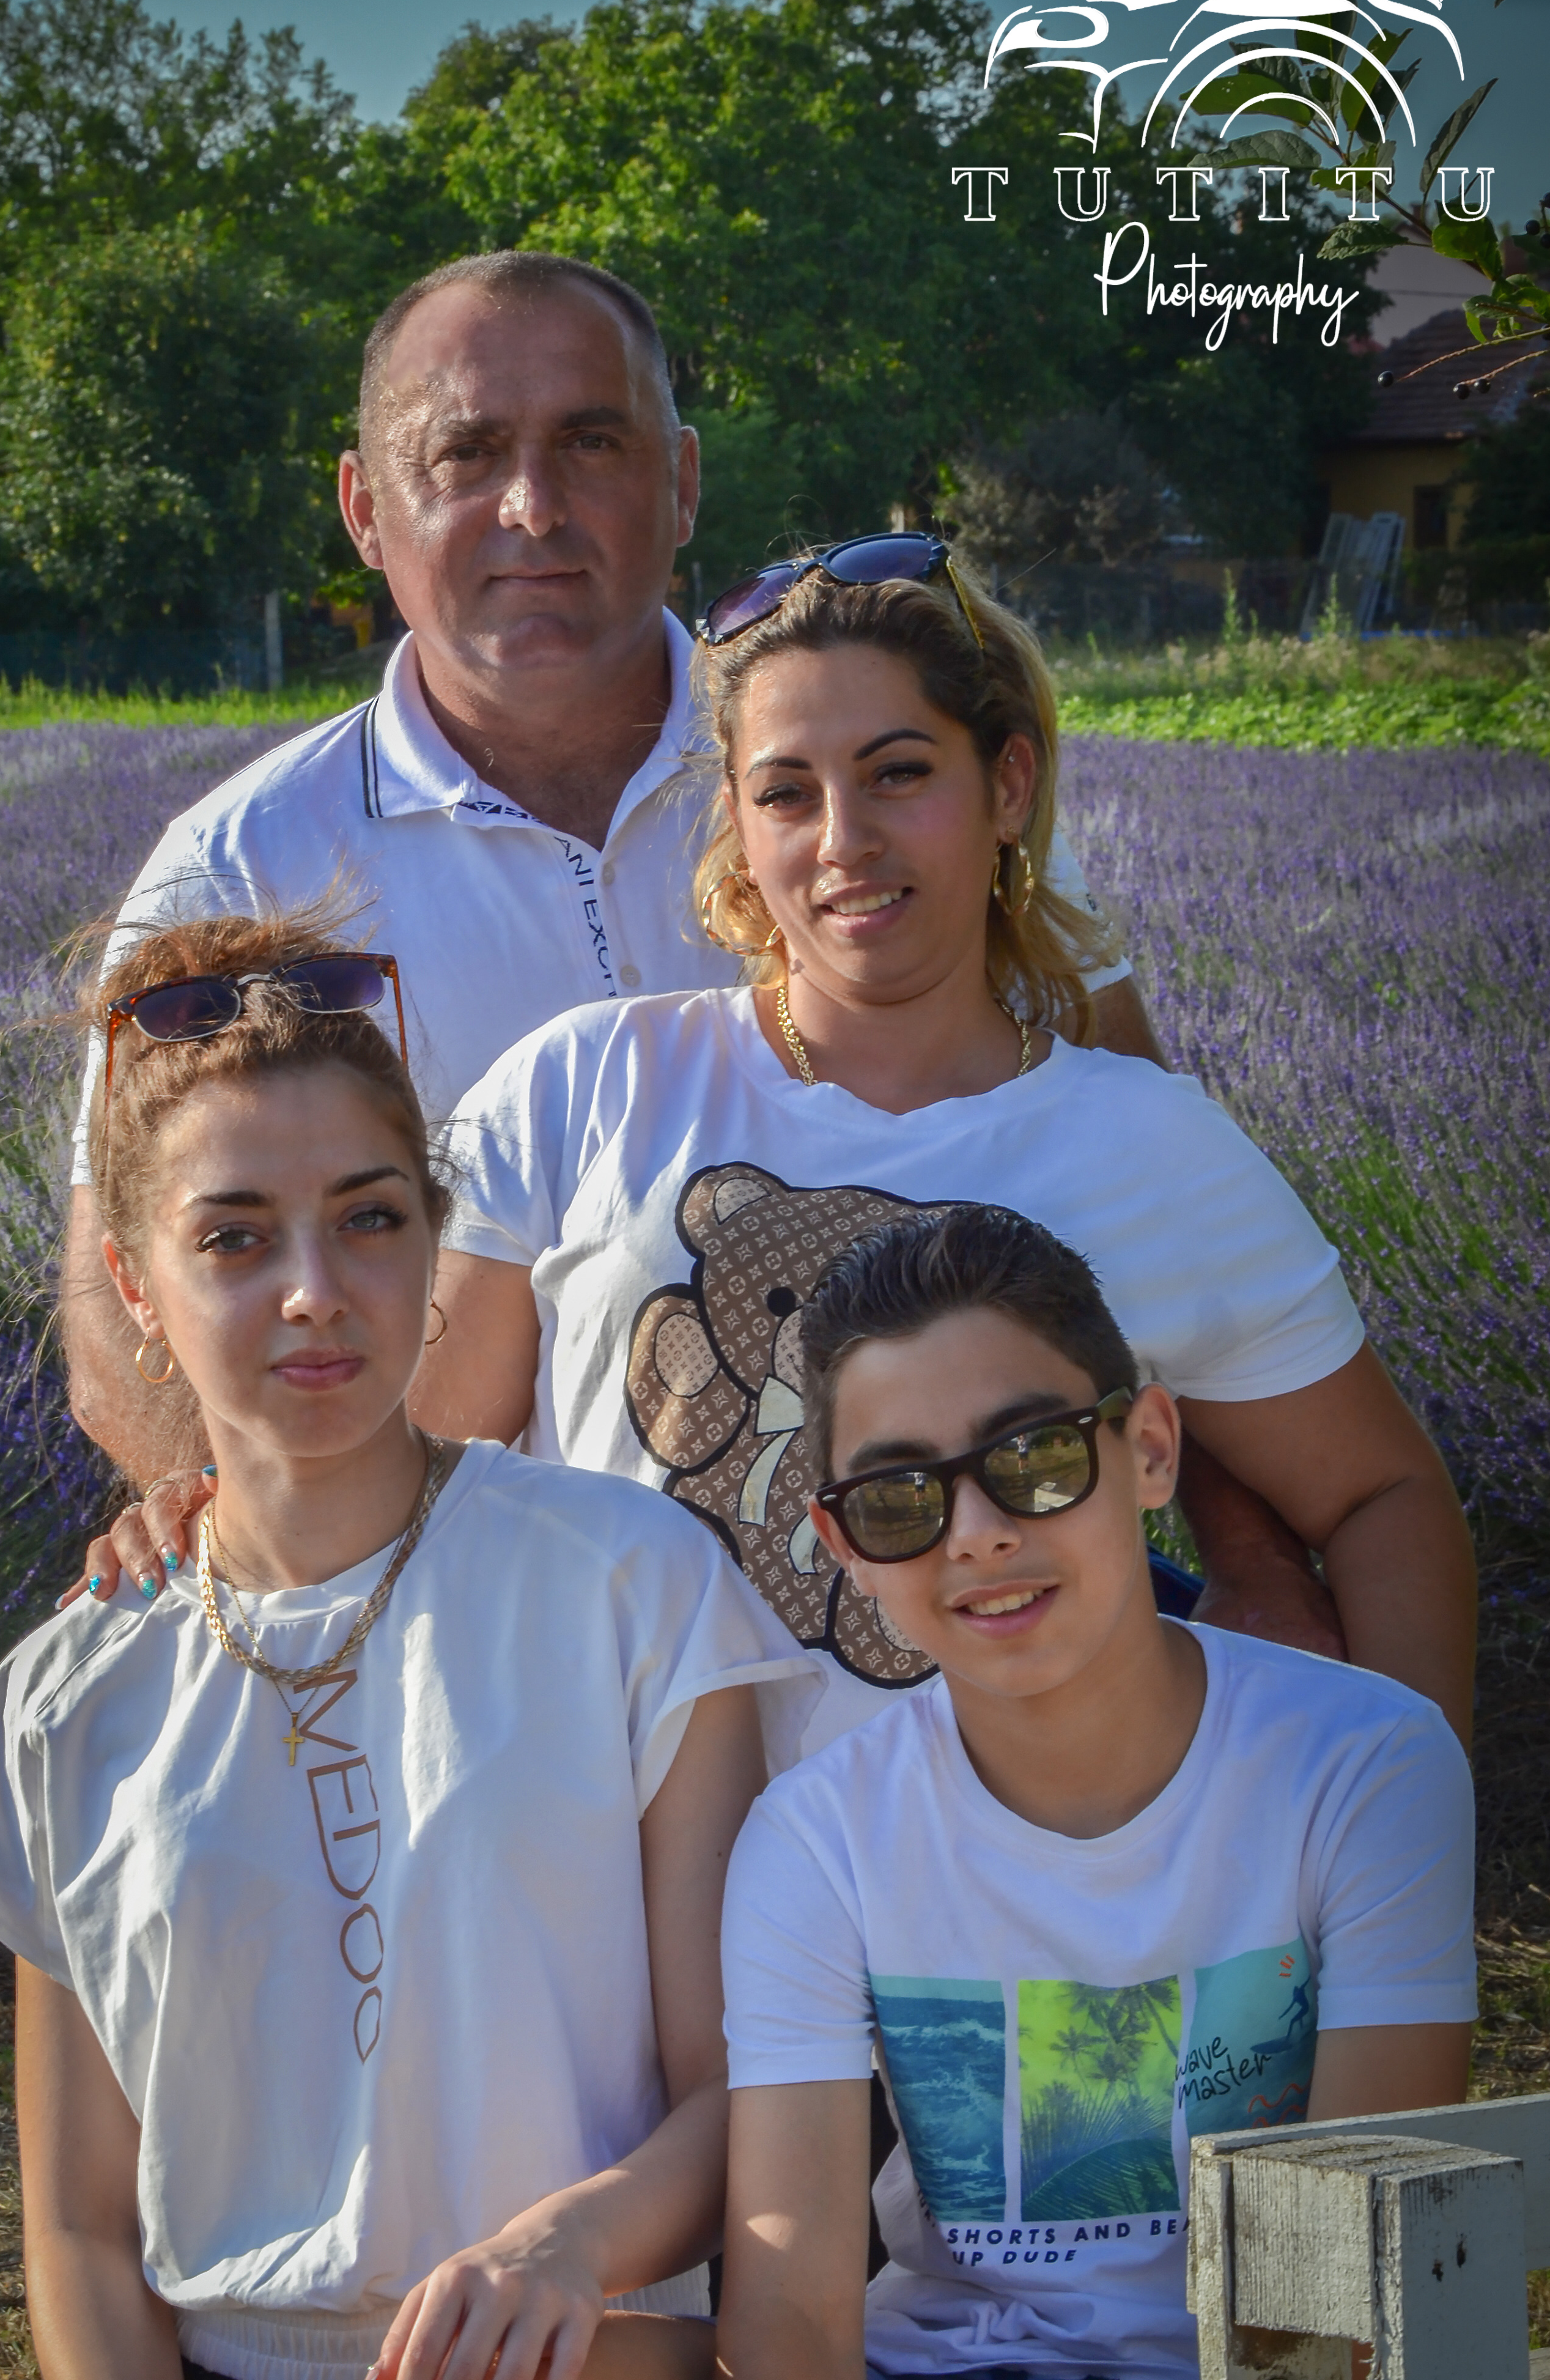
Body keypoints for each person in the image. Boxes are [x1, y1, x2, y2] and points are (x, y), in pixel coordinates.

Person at [0, 907, 810, 2380]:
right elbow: (80, 2229)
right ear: (137, 1288)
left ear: (435, 1243)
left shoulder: (628, 1588)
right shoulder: (71, 1696)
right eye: (235, 1238)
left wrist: (566, 2249)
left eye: (370, 1219)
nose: (314, 1289)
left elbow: (737, 2100)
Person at [402, 1205, 1475, 2380]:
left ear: (1149, 1447)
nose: (978, 1535)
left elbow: (1349, 2276)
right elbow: (792, 2304)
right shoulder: (821, 1836)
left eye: (1034, 1457)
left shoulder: (1364, 1766)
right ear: (842, 1542)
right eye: (903, 1496)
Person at [61, 247, 1182, 1597]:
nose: (533, 509)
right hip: (490, 1618)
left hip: (952, 1586)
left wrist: (1246, 1557)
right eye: (465, 454)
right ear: (365, 508)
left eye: (592, 443)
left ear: (683, 482)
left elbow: (1148, 1167)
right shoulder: (243, 864)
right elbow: (123, 1288)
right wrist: (261, 1560)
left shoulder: (845, 768)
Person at [415, 558, 1476, 1755]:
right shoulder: (578, 1088)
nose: (845, 841)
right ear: (739, 829)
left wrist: (1403, 1828)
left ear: (1007, 785)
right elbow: (414, 1486)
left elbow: (1383, 1497)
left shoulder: (1153, 1145)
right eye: (786, 793)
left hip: (1016, 1870)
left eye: (899, 773)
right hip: (616, 1848)